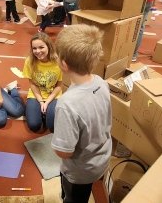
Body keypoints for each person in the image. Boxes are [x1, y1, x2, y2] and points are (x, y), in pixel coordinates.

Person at [51, 24, 111, 203]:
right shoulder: (101, 83)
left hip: (80, 172)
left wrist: (55, 145)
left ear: (63, 64)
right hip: (102, 160)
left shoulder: (66, 103)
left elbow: (64, 152)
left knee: (74, 199)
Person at [22, 32, 62, 132]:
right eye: (34, 48)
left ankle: (46, 113)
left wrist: (47, 102)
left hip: (53, 95)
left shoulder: (58, 62)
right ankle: (41, 112)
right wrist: (40, 101)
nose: (38, 51)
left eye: (41, 47)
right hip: (36, 94)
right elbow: (32, 83)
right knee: (34, 126)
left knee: (52, 126)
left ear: (48, 46)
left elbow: (59, 85)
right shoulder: (29, 61)